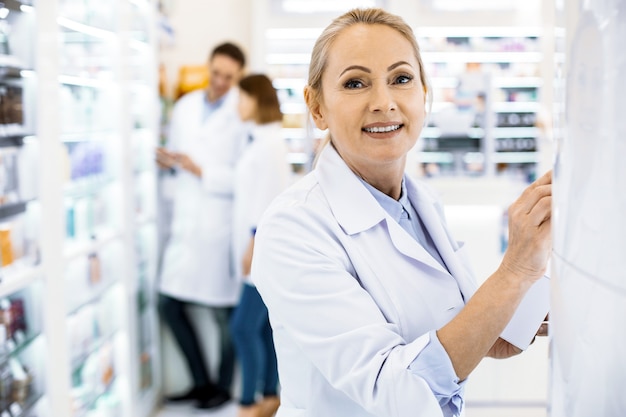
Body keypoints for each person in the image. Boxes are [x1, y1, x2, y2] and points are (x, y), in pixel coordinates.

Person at [251, 8, 552, 417]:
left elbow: (466, 339)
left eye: (401, 79)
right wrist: (514, 272)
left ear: (424, 95)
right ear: (316, 107)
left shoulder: (421, 202)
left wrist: (535, 297)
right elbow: (396, 389)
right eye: (355, 83)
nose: (384, 102)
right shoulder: (294, 229)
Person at [156, 42, 248, 410]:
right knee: (168, 306)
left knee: (225, 314)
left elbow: (244, 176)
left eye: (229, 77)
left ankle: (223, 387)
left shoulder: (242, 112)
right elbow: (177, 156)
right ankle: (200, 381)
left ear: (238, 76)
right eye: (217, 74)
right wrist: (169, 163)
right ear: (208, 68)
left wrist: (201, 170)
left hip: (218, 224)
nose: (221, 82)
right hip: (186, 220)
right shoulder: (185, 107)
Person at [230, 74, 291, 417]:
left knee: (242, 327)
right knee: (265, 327)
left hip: (261, 246)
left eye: (242, 98)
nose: (238, 106)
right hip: (257, 243)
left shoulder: (269, 145)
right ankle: (269, 395)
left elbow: (268, 200)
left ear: (256, 99)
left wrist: (253, 244)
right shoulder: (262, 141)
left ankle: (248, 402)